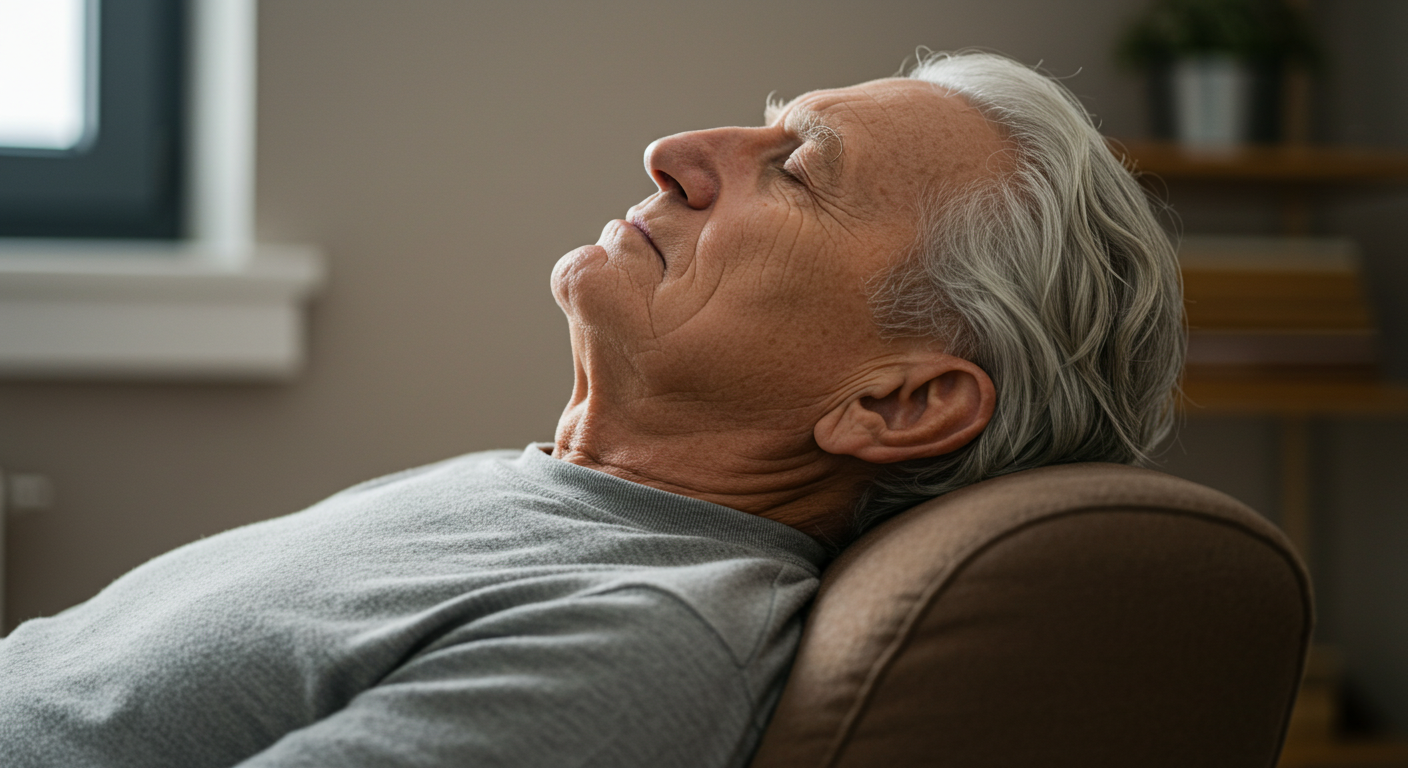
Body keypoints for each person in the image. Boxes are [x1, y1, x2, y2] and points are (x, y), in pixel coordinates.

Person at [0, 51, 1183, 767]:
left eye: (799, 170)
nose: (673, 150)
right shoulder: (525, 493)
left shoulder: (639, 639)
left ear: (899, 401)